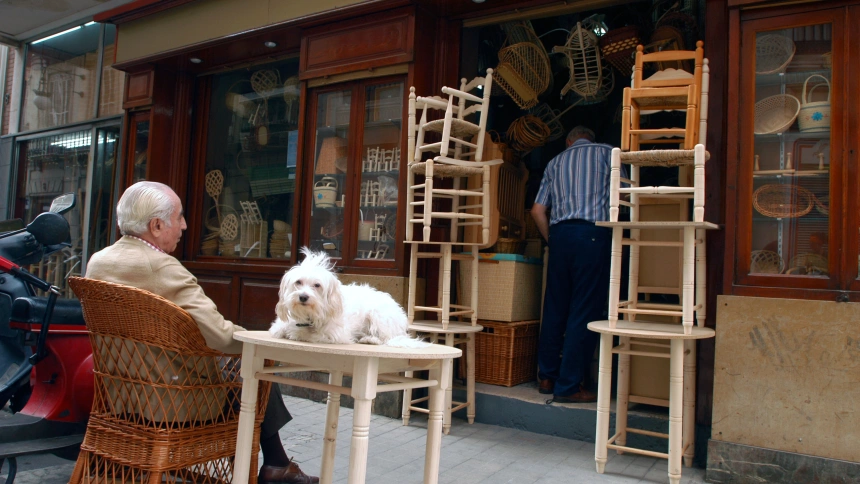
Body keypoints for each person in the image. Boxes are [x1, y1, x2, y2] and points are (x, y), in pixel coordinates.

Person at [86, 181, 318, 484]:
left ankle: (277, 464)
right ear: (156, 225)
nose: (184, 225)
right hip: (171, 400)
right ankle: (276, 464)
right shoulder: (163, 269)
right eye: (179, 217)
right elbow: (220, 337)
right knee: (255, 367)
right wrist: (264, 340)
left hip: (120, 396)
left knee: (243, 366)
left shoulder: (98, 262)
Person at [530, 126, 621, 404]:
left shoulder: (555, 162)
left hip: (560, 236)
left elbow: (537, 210)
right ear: (591, 138)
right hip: (592, 234)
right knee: (584, 309)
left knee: (555, 307)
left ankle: (547, 377)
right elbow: (625, 196)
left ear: (569, 141)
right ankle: (568, 386)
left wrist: (552, 240)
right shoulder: (609, 153)